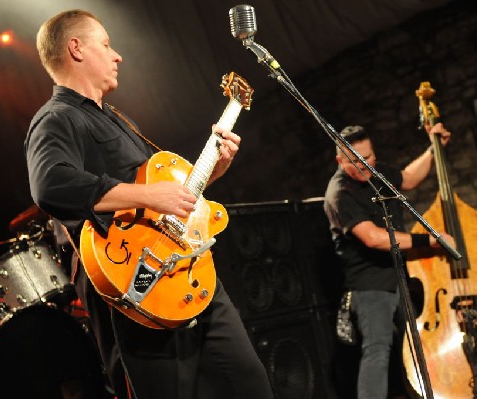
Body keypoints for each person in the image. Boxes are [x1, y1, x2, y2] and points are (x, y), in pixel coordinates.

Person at [24, 9, 274, 399]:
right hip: (136, 286)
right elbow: (50, 185)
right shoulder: (56, 118)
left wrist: (213, 171)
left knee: (252, 386)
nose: (117, 55)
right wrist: (149, 194)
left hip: (186, 274)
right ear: (76, 49)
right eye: (106, 44)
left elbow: (167, 200)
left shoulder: (121, 121)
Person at [323, 124, 454, 399]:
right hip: (370, 285)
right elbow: (373, 238)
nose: (364, 165)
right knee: (378, 350)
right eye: (355, 161)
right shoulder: (339, 193)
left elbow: (408, 178)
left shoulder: (377, 172)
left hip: (400, 276)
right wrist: (428, 239)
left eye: (368, 158)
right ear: (339, 161)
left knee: (420, 343)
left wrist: (433, 148)